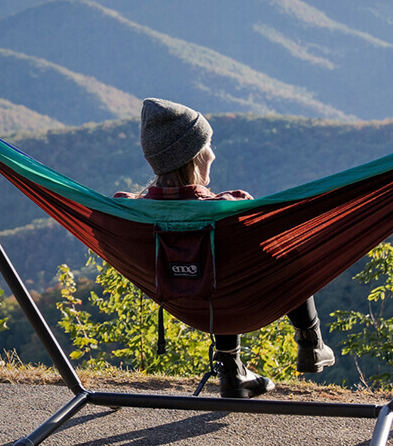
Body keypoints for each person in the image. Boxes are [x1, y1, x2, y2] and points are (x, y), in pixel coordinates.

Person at [114, 98, 335, 399]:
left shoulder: (127, 213)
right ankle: (311, 342)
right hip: (236, 299)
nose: (213, 154)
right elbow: (282, 251)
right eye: (208, 145)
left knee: (215, 257)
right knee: (287, 251)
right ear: (194, 156)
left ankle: (232, 371)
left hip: (182, 296)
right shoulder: (229, 209)